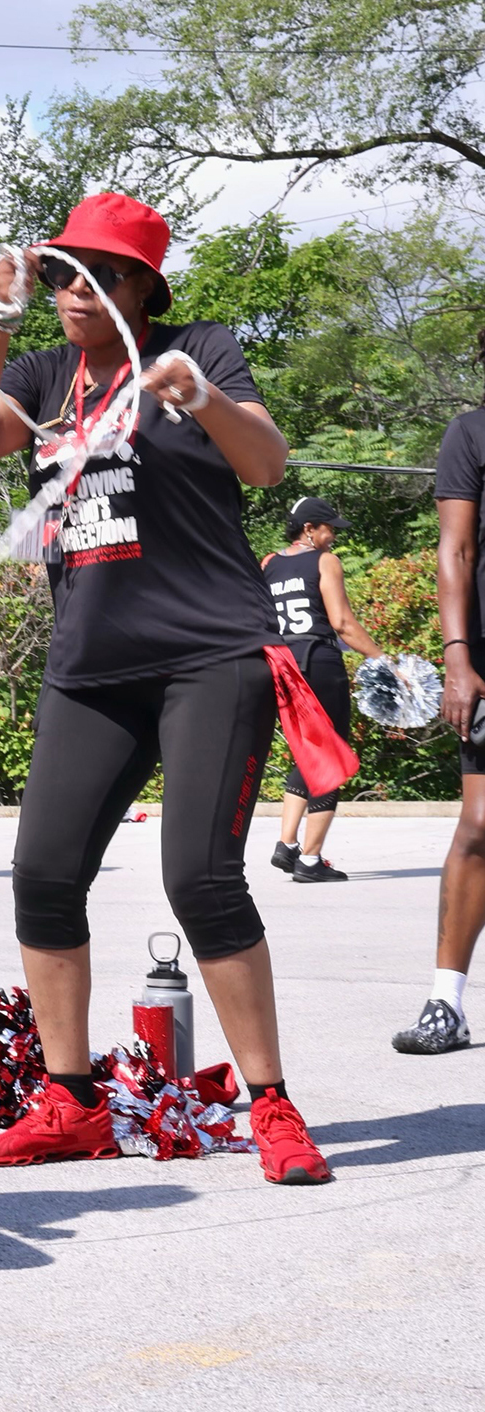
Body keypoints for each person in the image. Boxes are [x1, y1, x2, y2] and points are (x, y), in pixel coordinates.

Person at [0, 190, 329, 1183]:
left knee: (199, 879)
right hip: (91, 666)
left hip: (209, 654)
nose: (77, 289)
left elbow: (268, 460)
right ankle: (69, 1102)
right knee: (42, 875)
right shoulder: (39, 372)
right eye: (63, 271)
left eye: (102, 275)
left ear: (141, 290)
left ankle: (273, 1106)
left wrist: (199, 397)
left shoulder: (197, 347)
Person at [397, 385, 485, 1055]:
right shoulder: (469, 433)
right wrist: (456, 655)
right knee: (479, 825)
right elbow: (454, 551)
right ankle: (445, 1002)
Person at [261, 497, 377, 885]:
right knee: (330, 756)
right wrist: (384, 658)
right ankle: (310, 861)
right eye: (329, 529)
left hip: (281, 667)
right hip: (318, 662)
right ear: (309, 529)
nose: (332, 537)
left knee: (305, 750)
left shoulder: (268, 563)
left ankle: (287, 844)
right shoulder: (324, 562)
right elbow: (342, 623)